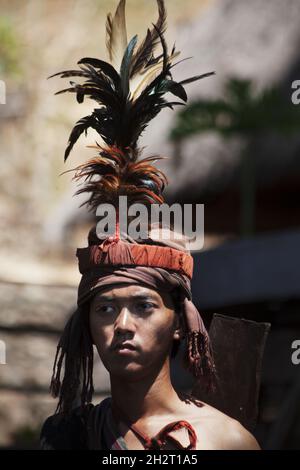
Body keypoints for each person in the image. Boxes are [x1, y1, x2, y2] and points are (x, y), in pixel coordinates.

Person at [40, 0, 260, 450]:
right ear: (86, 324)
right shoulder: (67, 438)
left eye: (143, 306)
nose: (122, 324)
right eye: (104, 309)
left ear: (180, 322)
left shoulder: (228, 442)